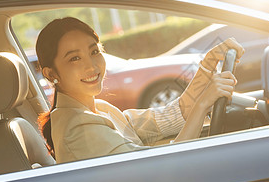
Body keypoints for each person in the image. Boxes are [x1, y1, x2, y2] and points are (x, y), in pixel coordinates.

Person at [36, 17, 244, 163]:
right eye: (74, 58)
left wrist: (207, 66)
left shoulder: (99, 109)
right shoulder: (78, 127)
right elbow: (162, 171)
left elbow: (168, 118)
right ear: (51, 74)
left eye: (94, 51)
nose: (91, 66)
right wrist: (203, 104)